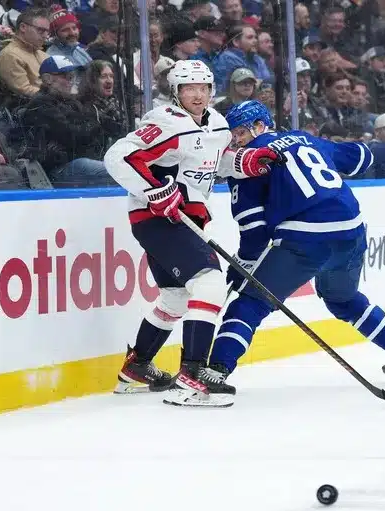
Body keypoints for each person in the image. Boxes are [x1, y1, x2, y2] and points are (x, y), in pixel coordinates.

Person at [203, 100, 385, 396]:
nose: (237, 142)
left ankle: (216, 371)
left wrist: (243, 265)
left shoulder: (248, 163)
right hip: (351, 232)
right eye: (232, 137)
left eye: (241, 133)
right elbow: (361, 158)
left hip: (305, 239)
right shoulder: (303, 138)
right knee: (342, 298)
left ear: (260, 126)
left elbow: (254, 230)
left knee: (250, 303)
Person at [103, 60, 279, 407]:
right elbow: (118, 156)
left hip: (187, 219)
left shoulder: (218, 124)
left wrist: (246, 162)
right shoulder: (166, 122)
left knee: (175, 298)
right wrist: (154, 190)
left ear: (212, 91)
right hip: (157, 218)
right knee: (209, 283)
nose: (197, 95)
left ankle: (136, 368)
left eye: (203, 88)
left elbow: (214, 163)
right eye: (189, 88)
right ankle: (192, 376)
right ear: (176, 92)